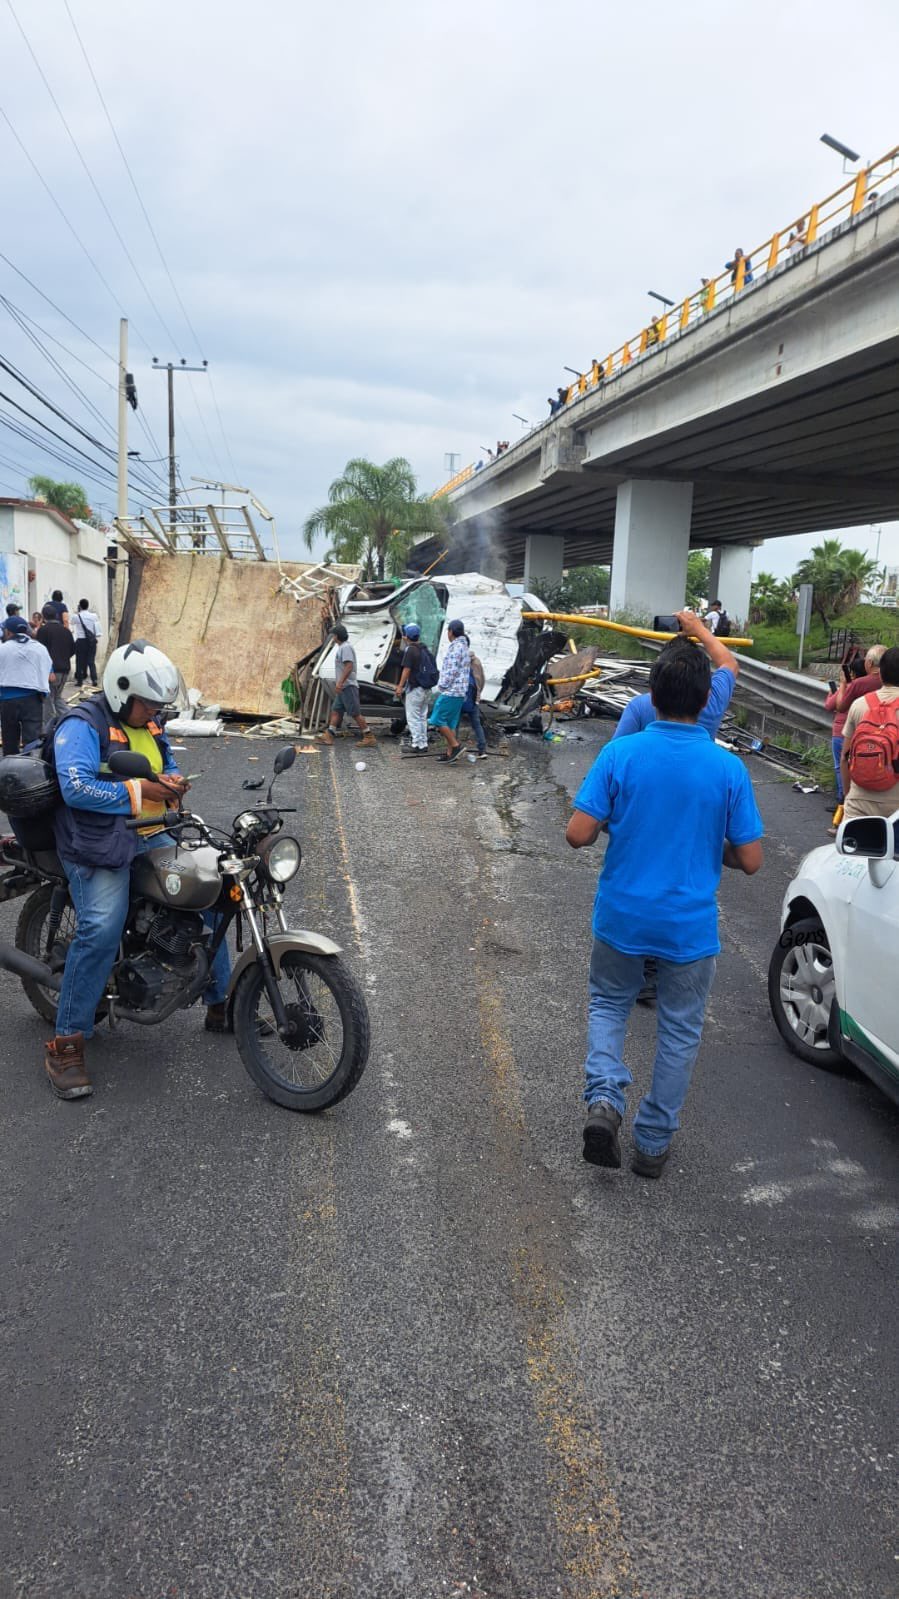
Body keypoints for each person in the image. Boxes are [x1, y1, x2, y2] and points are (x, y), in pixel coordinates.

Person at [566, 643, 763, 1178]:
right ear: (705, 702)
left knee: (609, 1004)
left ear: (650, 696)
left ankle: (605, 1101)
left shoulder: (620, 755)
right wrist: (707, 841)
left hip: (622, 917)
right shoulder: (727, 768)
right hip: (688, 928)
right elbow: (750, 859)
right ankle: (652, 1145)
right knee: (679, 1030)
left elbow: (578, 833)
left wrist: (621, 818)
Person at [43, 640, 232, 1100]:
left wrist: (172, 782)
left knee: (209, 890)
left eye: (158, 707)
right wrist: (141, 789)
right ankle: (66, 1042)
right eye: (148, 703)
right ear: (120, 690)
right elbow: (76, 789)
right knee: (102, 927)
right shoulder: (81, 725)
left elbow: (164, 764)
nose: (153, 713)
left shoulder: (147, 723)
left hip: (148, 830)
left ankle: (222, 1005)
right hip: (93, 840)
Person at [614, 610, 739, 742]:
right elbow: (730, 664)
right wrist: (700, 630)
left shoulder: (638, 707)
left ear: (653, 697)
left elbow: (616, 751)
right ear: (706, 698)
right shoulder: (714, 702)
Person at [839, 645, 899, 822]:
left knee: (852, 849)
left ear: (880, 674)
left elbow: (845, 756)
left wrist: (849, 795)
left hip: (859, 802)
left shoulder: (859, 704)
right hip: (897, 808)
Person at [824, 646, 884, 813]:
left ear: (870, 663)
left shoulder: (859, 685)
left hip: (853, 733)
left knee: (845, 763)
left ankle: (845, 803)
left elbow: (840, 706)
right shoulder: (886, 684)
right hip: (883, 735)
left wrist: (843, 684)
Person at [0, 614, 52, 752]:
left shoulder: (3, 649)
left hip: (7, 700)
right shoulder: (40, 648)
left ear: (8, 632)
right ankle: (30, 767)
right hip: (33, 700)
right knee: (33, 740)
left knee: (10, 739)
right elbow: (48, 673)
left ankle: (10, 768)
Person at [319, 624, 376, 747]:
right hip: (344, 687)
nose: (333, 638)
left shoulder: (345, 648)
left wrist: (340, 682)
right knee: (336, 710)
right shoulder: (342, 647)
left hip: (348, 686)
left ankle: (369, 736)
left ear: (337, 636)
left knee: (355, 713)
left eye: (333, 635)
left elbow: (349, 666)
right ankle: (329, 735)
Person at [428, 619, 470, 763]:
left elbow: (450, 671)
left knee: (437, 719)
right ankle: (450, 754)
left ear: (451, 631)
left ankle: (455, 746)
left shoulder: (455, 648)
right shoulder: (464, 647)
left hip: (451, 691)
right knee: (450, 723)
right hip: (460, 692)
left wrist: (441, 686)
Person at [394, 622, 430, 755]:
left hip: (415, 689)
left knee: (413, 717)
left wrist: (400, 686)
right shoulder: (424, 648)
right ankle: (423, 743)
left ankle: (416, 744)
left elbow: (406, 670)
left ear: (406, 636)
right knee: (422, 717)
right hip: (426, 688)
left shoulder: (410, 650)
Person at [36, 602, 76, 724]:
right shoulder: (66, 631)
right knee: (57, 698)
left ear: (43, 617)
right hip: (65, 669)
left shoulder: (43, 631)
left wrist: (49, 669)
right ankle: (71, 719)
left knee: (48, 700)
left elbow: (40, 651)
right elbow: (73, 649)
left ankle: (48, 727)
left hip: (51, 671)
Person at [459, 640, 487, 758]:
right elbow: (482, 680)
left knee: (455, 723)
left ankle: (454, 748)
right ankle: (482, 750)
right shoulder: (477, 661)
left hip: (460, 697)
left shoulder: (460, 660)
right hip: (473, 698)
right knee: (476, 724)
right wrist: (478, 694)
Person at [71, 598, 102, 687]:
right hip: (91, 641)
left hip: (81, 641)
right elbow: (97, 629)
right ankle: (94, 679)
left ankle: (80, 681)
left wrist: (77, 611)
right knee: (91, 661)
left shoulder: (76, 616)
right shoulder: (94, 616)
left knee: (79, 661)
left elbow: (72, 623)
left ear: (80, 606)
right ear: (88, 606)